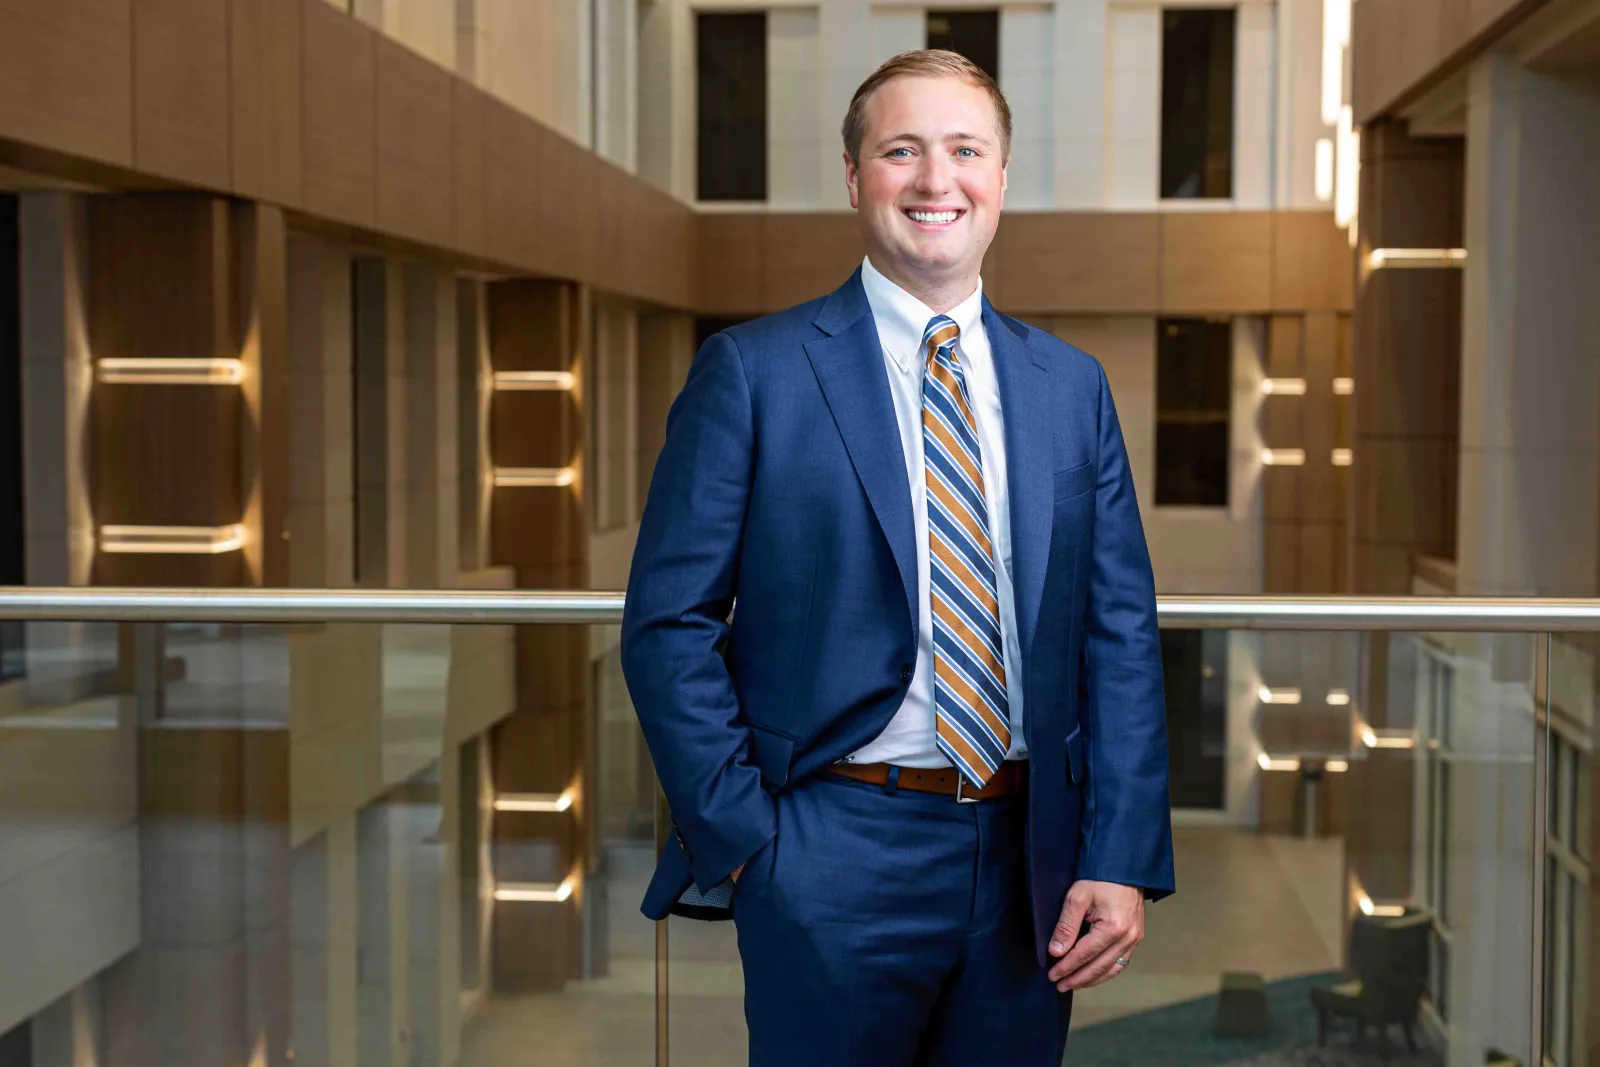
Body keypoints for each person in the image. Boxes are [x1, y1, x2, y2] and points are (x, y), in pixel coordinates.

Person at [621, 49, 1174, 1065]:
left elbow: (1119, 634)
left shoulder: (1071, 386)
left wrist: (1121, 853)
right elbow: (668, 623)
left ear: (1000, 177)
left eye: (965, 150)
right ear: (853, 175)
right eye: (901, 151)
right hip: (827, 846)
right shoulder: (752, 371)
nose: (935, 180)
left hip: (1029, 865)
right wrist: (750, 845)